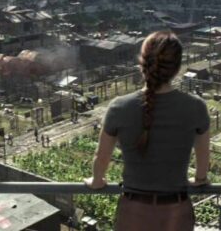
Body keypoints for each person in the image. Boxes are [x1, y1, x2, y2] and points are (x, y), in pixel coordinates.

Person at [85, 31, 210, 231]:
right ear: (177, 68)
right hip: (175, 212)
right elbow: (203, 162)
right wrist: (200, 179)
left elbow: (101, 157)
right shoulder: (196, 107)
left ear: (142, 65)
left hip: (134, 212)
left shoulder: (119, 107)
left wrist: (97, 180)